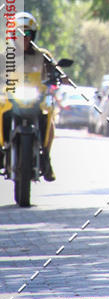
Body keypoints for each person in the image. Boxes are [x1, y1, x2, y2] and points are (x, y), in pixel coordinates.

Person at [1, 12, 59, 181]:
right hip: (12, 99)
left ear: (33, 35)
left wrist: (59, 77)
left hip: (36, 98)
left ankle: (46, 157)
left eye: (27, 34)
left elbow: (57, 73)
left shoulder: (43, 55)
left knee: (50, 118)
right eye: (18, 34)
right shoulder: (5, 56)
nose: (23, 38)